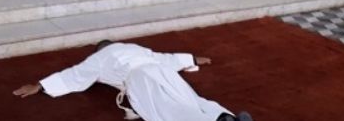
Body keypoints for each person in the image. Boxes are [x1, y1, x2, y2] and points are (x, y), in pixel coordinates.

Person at [13, 40, 253, 121]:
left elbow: (75, 74)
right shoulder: (135, 48)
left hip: (139, 80)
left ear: (100, 49)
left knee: (170, 110)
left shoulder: (100, 58)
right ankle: (224, 116)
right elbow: (164, 58)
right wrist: (192, 58)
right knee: (192, 99)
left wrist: (41, 85)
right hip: (162, 71)